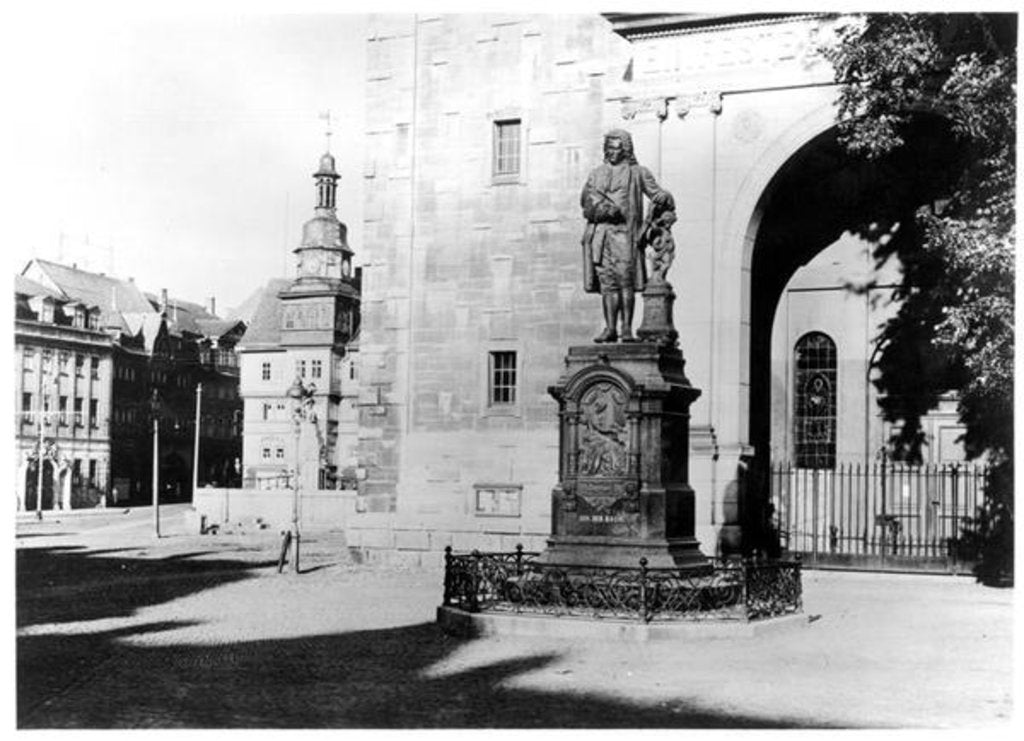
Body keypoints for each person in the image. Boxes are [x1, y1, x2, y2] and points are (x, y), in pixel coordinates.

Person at [580, 129, 674, 342]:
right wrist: (599, 207)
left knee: (625, 281)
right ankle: (610, 328)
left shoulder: (638, 172)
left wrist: (665, 198)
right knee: (607, 283)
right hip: (601, 234)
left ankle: (626, 329)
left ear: (626, 149)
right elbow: (585, 200)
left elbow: (656, 192)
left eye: (616, 148)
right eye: (609, 148)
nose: (612, 152)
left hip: (624, 235)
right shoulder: (596, 173)